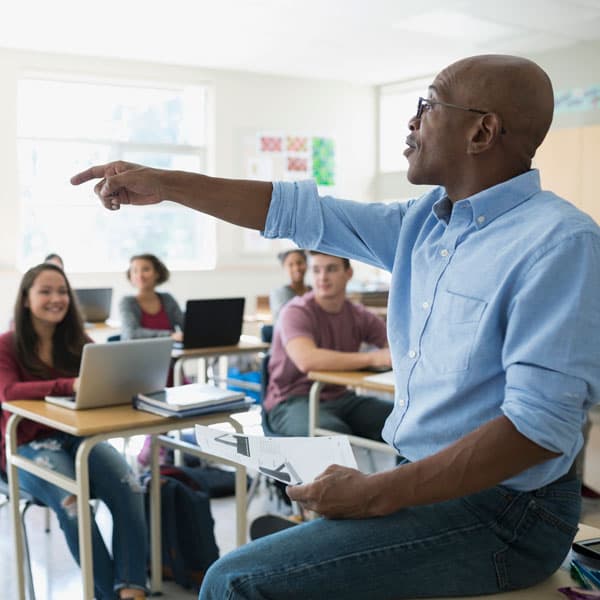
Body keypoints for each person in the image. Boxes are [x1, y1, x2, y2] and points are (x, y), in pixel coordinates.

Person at [71, 53, 600, 599]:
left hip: (507, 514)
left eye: (428, 105)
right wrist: (166, 183)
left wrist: (377, 494)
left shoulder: (558, 242)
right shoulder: (423, 223)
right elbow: (298, 213)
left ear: (482, 130)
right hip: (428, 482)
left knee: (234, 582)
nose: (412, 122)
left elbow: (539, 430)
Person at [0, 263, 148, 600]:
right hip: (25, 446)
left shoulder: (77, 341)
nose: (57, 298)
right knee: (72, 503)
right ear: (26, 299)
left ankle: (131, 589)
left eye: (62, 291)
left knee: (130, 487)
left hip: (79, 439)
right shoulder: (6, 344)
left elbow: (101, 379)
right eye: (46, 291)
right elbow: (8, 392)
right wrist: (69, 384)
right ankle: (108, 595)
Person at [265, 250, 392, 438]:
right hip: (291, 400)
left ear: (348, 274)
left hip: (341, 397)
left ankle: (403, 468)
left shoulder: (359, 314)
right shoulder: (295, 311)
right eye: (316, 270)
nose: (323, 277)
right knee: (331, 434)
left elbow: (395, 347)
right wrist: (372, 358)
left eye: (331, 269)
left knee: (405, 420)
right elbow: (307, 360)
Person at [119, 253, 183, 342]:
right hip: (136, 353)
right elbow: (132, 333)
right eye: (135, 271)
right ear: (130, 276)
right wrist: (170, 335)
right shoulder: (127, 302)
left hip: (169, 352)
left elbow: (184, 324)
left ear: (157, 273)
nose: (140, 275)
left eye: (146, 270)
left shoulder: (167, 299)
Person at [269, 249, 312, 322]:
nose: (296, 268)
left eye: (299, 263)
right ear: (284, 267)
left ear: (306, 264)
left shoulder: (313, 291)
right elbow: (288, 318)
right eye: (290, 265)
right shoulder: (279, 293)